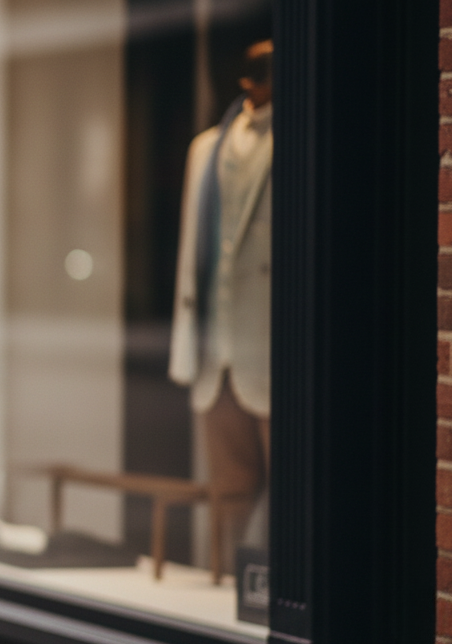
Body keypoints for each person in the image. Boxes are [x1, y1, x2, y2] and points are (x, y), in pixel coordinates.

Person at [169, 39, 273, 575]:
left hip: (275, 349)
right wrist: (186, 347)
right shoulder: (205, 149)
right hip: (218, 350)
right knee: (228, 488)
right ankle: (229, 583)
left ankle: (277, 594)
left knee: (290, 493)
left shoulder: (303, 136)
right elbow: (192, 254)